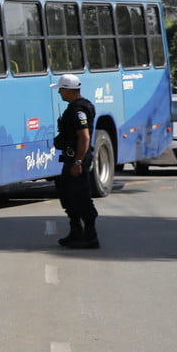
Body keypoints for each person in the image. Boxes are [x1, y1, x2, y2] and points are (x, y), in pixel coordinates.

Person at [54, 73, 99, 249]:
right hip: (72, 158)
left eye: (61, 90)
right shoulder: (76, 107)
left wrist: (78, 162)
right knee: (67, 196)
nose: (59, 93)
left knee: (81, 197)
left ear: (68, 90)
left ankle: (90, 236)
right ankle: (76, 233)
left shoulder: (78, 110)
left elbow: (84, 137)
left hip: (77, 160)